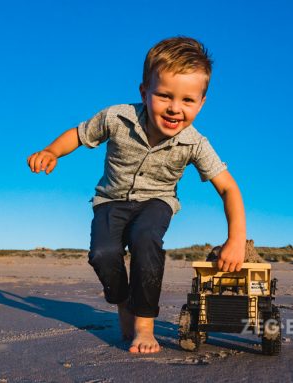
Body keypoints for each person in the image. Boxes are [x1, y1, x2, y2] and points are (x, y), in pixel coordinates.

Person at [27, 36, 246, 354]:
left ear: (201, 103)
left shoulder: (196, 143)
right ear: (144, 92)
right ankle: (122, 303)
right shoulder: (116, 117)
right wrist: (52, 152)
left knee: (146, 241)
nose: (175, 108)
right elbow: (78, 134)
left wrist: (236, 239)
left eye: (188, 100)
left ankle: (144, 325)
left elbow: (228, 187)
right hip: (110, 200)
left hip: (156, 202)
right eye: (164, 96)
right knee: (102, 254)